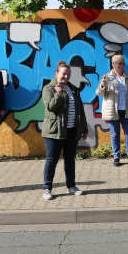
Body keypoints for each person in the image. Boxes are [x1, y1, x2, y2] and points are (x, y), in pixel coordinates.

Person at [41, 61, 88, 200]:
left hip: (71, 131)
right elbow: (51, 107)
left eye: (68, 74)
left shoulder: (73, 89)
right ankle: (47, 189)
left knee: (70, 160)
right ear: (57, 73)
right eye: (63, 74)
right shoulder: (49, 88)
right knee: (51, 160)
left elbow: (80, 110)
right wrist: (58, 94)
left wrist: (83, 128)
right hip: (54, 132)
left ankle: (71, 186)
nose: (66, 77)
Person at [96, 53, 128, 166]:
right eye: (119, 63)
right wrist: (102, 86)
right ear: (113, 64)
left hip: (127, 111)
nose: (122, 65)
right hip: (113, 112)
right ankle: (116, 157)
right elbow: (99, 93)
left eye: (123, 63)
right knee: (115, 135)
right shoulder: (107, 77)